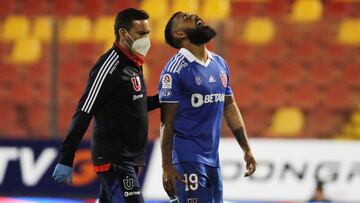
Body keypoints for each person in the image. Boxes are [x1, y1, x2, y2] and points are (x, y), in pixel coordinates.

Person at [52, 8, 159, 203]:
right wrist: (67, 156)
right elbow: (85, 110)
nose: (146, 39)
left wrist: (163, 100)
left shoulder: (133, 64)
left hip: (129, 158)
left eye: (148, 33)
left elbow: (134, 106)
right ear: (123, 34)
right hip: (115, 160)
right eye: (141, 34)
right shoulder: (108, 67)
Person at [158, 11, 257, 202]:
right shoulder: (174, 71)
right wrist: (166, 166)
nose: (193, 15)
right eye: (185, 18)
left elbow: (229, 106)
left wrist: (246, 148)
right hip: (186, 156)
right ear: (180, 35)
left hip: (212, 157)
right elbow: (167, 122)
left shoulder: (219, 63)